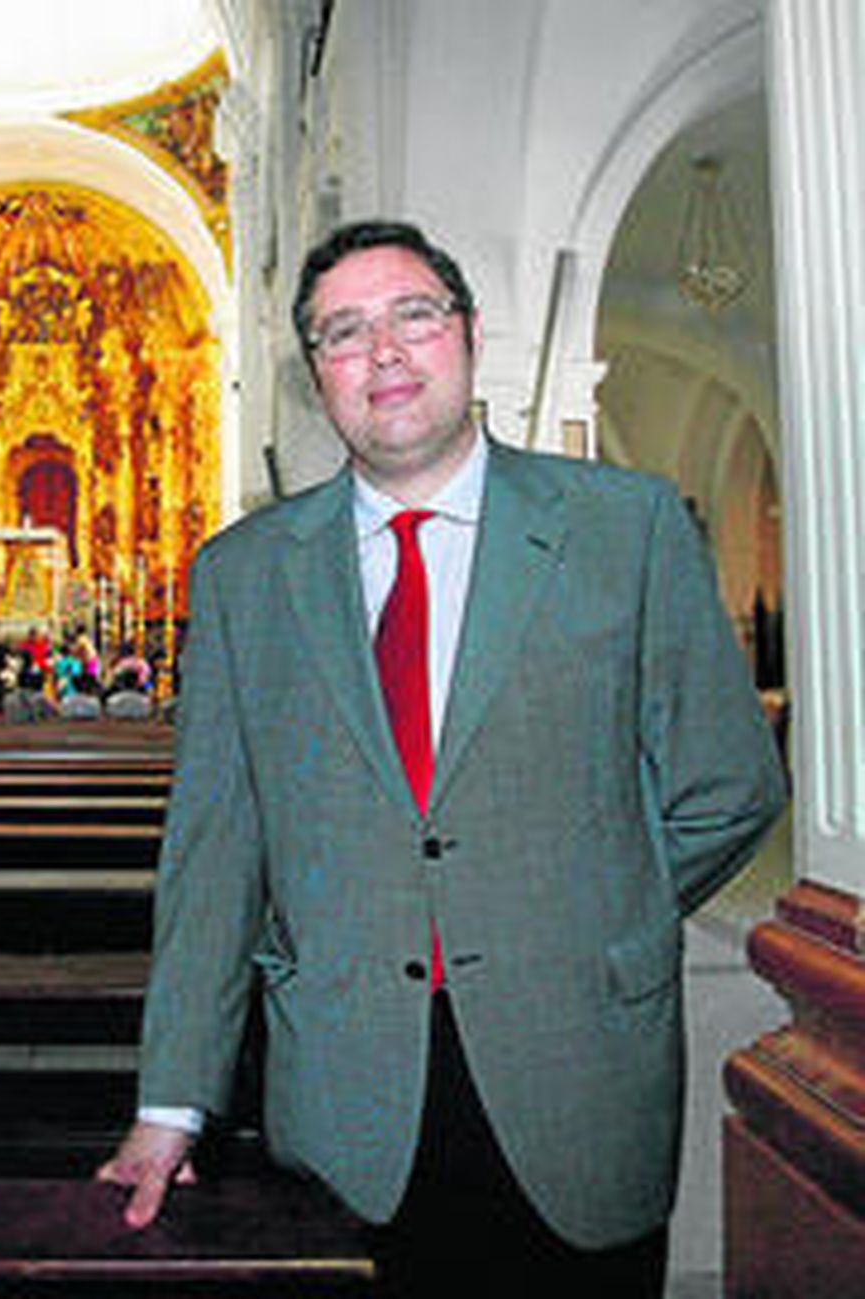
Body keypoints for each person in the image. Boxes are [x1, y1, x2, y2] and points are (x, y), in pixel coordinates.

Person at [95, 220, 788, 1297]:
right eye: (343, 331)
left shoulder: (625, 527)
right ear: (314, 374)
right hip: (342, 1078)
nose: (383, 352)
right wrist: (169, 1104)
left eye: (413, 315)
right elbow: (213, 858)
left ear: (465, 336)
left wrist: (600, 907)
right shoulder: (244, 577)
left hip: (577, 1062)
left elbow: (728, 786)